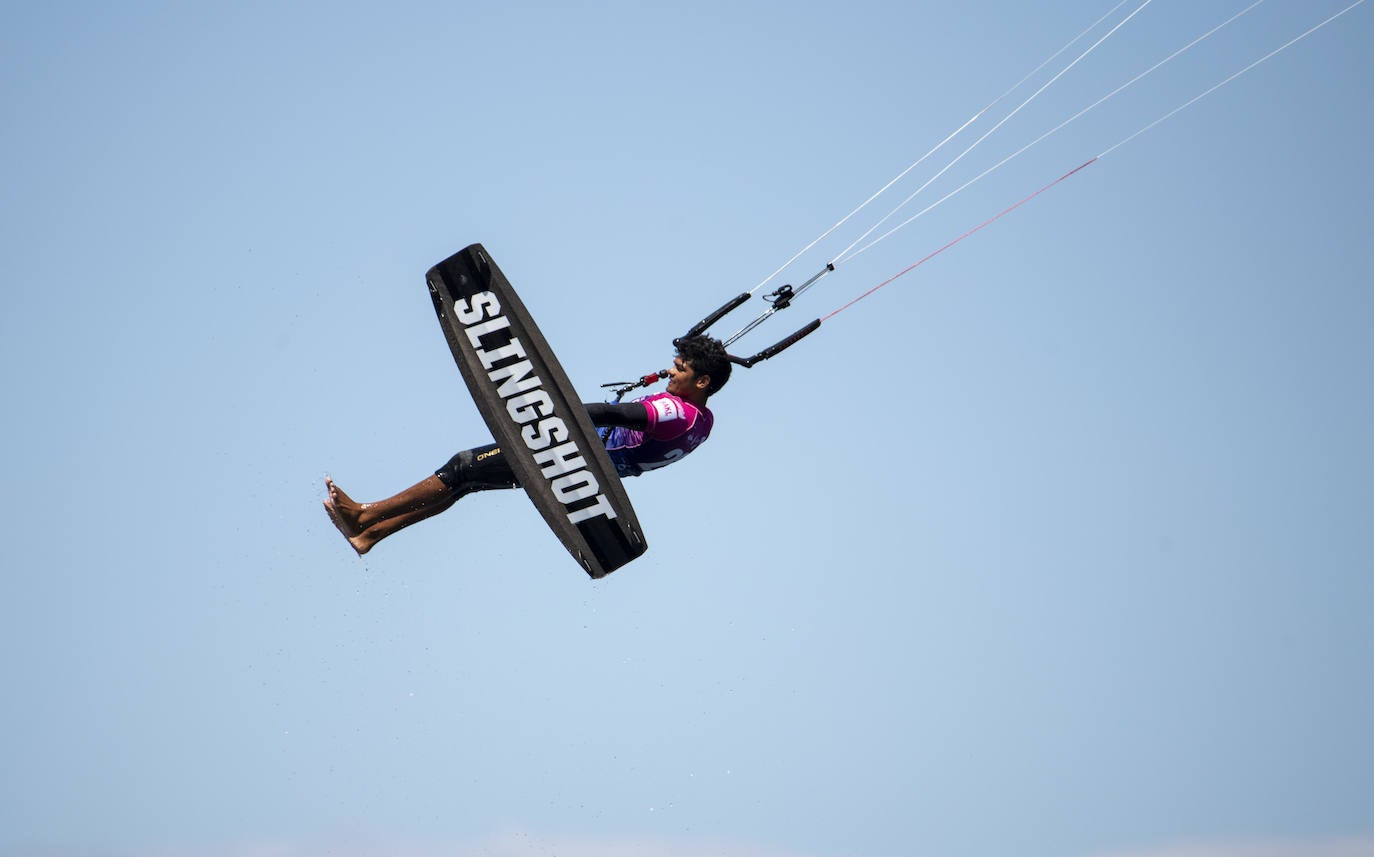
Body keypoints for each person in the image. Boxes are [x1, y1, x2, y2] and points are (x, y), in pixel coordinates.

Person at [324, 335, 732, 555]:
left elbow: (613, 415)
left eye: (680, 370)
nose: (669, 375)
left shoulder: (676, 411)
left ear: (702, 382)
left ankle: (364, 514)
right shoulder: (704, 422)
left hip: (567, 453)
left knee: (463, 465)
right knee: (470, 482)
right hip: (586, 472)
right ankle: (371, 536)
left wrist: (550, 407)